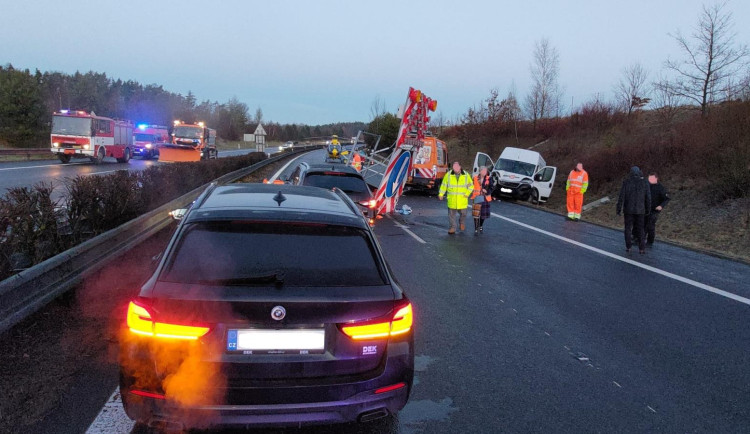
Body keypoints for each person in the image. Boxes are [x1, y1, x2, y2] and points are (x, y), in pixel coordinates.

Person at [616, 166, 651, 254]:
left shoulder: (626, 182)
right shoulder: (644, 182)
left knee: (628, 228)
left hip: (628, 209)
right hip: (640, 210)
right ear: (639, 172)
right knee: (640, 229)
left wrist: (618, 208)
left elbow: (621, 196)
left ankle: (628, 247)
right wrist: (648, 209)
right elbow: (648, 197)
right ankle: (641, 248)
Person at [438, 161, 473, 234]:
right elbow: (444, 185)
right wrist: (441, 194)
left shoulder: (466, 175)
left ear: (460, 167)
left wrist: (467, 194)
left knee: (463, 214)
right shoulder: (448, 175)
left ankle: (462, 223)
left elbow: (471, 186)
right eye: (454, 167)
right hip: (452, 199)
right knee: (451, 215)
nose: (455, 169)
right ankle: (452, 227)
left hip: (462, 199)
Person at [645, 172, 670, 246]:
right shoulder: (647, 186)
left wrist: (661, 206)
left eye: (651, 178)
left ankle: (650, 241)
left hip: (654, 210)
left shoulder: (660, 188)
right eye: (649, 178)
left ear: (656, 178)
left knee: (650, 225)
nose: (650, 180)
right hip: (645, 209)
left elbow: (666, 199)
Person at [471, 166, 495, 234]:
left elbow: (492, 187)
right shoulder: (475, 178)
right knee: (476, 214)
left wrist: (486, 191)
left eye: (486, 171)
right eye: (483, 171)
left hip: (485, 198)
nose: (485, 172)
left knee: (483, 214)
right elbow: (471, 186)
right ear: (480, 171)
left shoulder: (489, 178)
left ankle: (480, 225)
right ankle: (476, 228)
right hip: (477, 197)